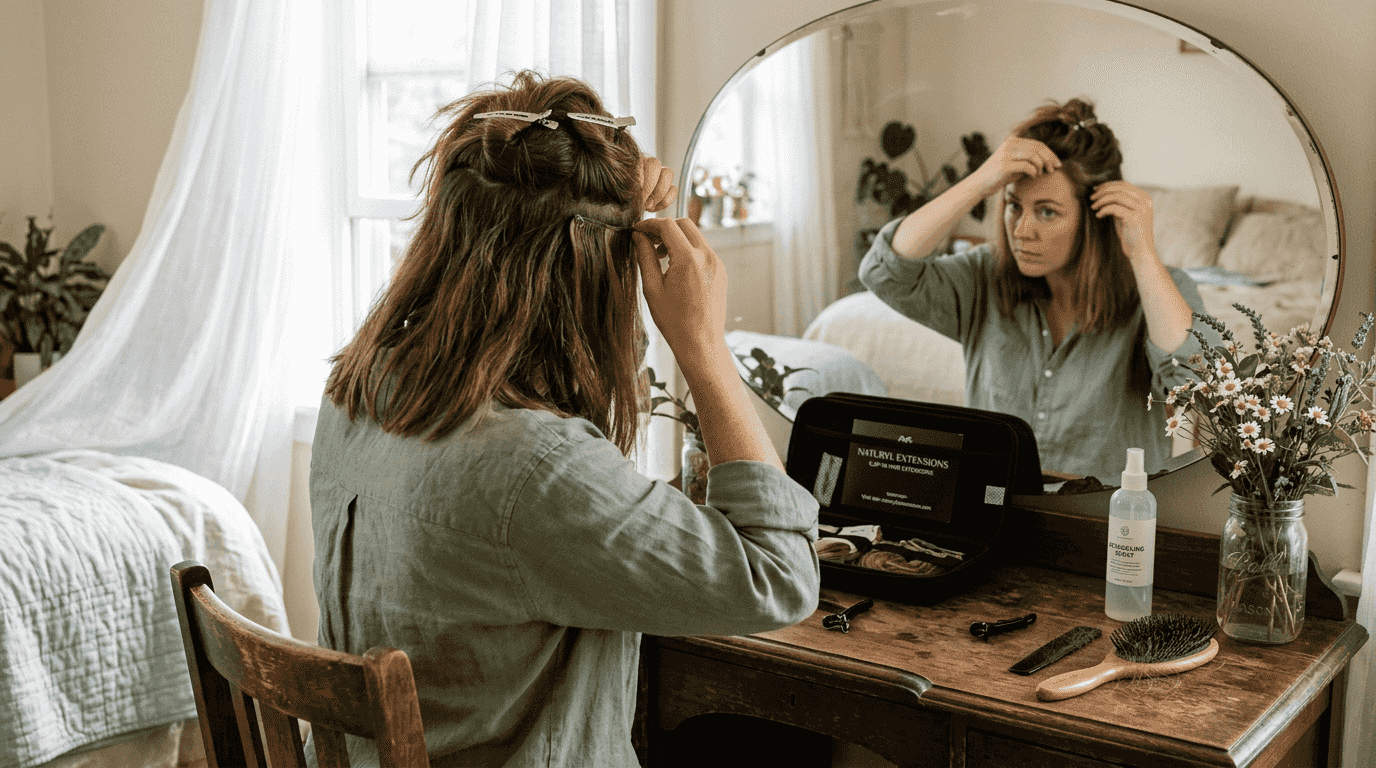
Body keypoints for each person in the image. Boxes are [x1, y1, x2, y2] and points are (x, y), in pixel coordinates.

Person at [309, 71, 820, 767]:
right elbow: (778, 576)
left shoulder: (361, 389)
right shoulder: (535, 468)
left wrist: (599, 244)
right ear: (591, 269)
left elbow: (565, 386)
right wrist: (703, 348)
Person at [859, 98, 1208, 481]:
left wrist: (1142, 254)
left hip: (1106, 524)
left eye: (1047, 211)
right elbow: (885, 273)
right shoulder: (983, 276)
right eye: (1014, 206)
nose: (1022, 230)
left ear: (1095, 219)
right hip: (995, 511)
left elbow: (1197, 385)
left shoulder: (1162, 290)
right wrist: (980, 181)